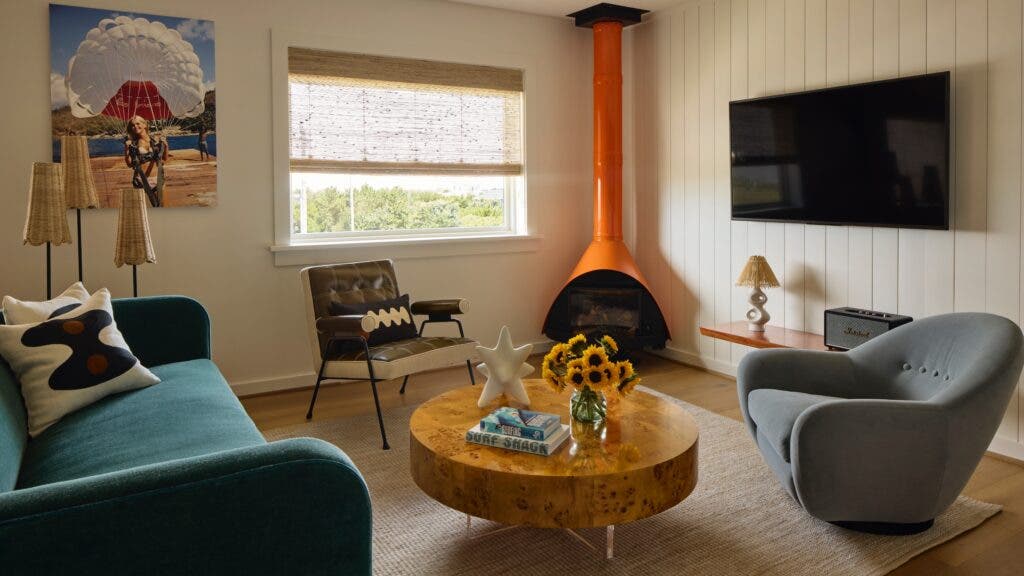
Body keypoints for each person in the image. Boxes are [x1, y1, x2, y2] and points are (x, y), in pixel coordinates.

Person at [123, 115, 167, 207]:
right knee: (145, 211)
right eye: (132, 125)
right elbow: (130, 164)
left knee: (161, 207)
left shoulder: (155, 140)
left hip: (157, 179)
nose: (135, 126)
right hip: (140, 181)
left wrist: (165, 146)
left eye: (138, 123)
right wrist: (126, 150)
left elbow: (163, 160)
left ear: (144, 125)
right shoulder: (132, 143)